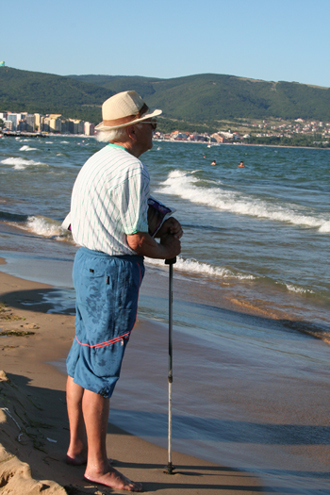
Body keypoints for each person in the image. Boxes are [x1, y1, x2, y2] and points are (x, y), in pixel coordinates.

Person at [65, 90, 182, 492]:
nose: (156, 129)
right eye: (151, 123)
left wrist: (158, 217)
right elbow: (134, 240)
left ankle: (78, 447)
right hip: (112, 270)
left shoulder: (97, 161)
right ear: (131, 129)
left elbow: (77, 219)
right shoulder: (133, 169)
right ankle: (97, 464)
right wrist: (165, 247)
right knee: (101, 365)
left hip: (86, 262)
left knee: (84, 352)